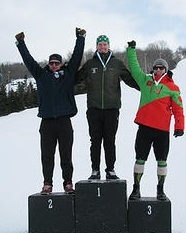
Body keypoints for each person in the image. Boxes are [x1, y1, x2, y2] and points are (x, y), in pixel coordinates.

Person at [15, 28, 86, 194]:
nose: (53, 65)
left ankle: (68, 182)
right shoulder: (41, 75)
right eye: (51, 63)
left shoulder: (68, 75)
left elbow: (76, 57)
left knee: (65, 155)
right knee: (47, 156)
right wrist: (21, 43)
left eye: (57, 63)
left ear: (61, 64)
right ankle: (47, 183)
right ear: (48, 64)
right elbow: (29, 61)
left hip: (64, 122)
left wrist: (80, 38)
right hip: (46, 122)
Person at [126, 40, 184, 201]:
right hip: (144, 128)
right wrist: (131, 50)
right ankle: (136, 189)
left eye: (161, 67)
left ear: (166, 69)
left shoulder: (173, 88)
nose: (158, 70)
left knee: (162, 161)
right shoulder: (145, 81)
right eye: (156, 67)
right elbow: (135, 68)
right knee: (140, 159)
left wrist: (179, 126)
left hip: (162, 131)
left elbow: (178, 108)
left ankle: (160, 190)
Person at [75, 35, 139, 180]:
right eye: (100, 44)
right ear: (96, 46)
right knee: (95, 140)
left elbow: (130, 80)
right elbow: (76, 79)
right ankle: (95, 170)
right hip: (94, 108)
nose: (102, 47)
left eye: (105, 44)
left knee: (110, 140)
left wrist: (146, 88)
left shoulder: (117, 64)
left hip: (112, 108)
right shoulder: (90, 64)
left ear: (109, 46)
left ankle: (110, 170)